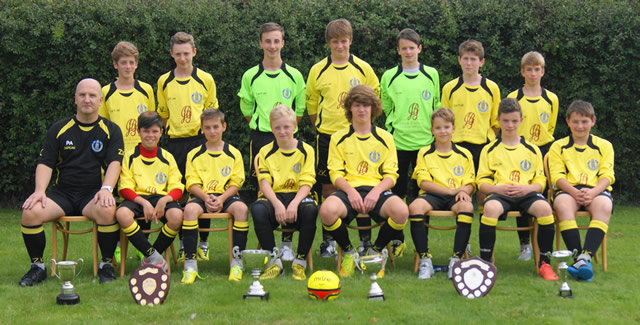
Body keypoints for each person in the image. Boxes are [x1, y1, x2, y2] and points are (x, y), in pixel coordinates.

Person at [20, 78, 123, 286]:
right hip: (62, 194)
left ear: (100, 100)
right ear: (75, 99)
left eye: (92, 95)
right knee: (30, 212)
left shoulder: (111, 129)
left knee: (108, 209)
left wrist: (106, 189)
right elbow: (45, 162)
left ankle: (106, 265)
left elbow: (115, 163)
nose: (87, 99)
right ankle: (37, 268)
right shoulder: (59, 128)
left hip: (93, 194)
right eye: (82, 95)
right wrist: (40, 191)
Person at [306, 18, 380, 257]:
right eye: (335, 42)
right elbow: (312, 104)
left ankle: (365, 241)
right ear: (329, 43)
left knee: (363, 184)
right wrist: (324, 125)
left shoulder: (363, 69)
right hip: (328, 137)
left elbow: (374, 99)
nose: (340, 46)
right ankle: (328, 241)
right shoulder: (318, 70)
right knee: (328, 188)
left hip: (358, 137)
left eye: (344, 41)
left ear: (351, 41)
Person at [319, 85, 408, 278]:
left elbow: (392, 175)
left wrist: (376, 192)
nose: (361, 109)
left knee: (401, 212)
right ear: (350, 108)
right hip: (348, 189)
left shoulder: (386, 138)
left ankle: (374, 252)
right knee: (326, 210)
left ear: (373, 108)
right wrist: (350, 191)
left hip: (377, 190)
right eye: (357, 105)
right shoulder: (338, 138)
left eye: (366, 105)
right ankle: (349, 253)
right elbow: (335, 173)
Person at [238, 22, 306, 262]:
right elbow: (247, 108)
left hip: (288, 137)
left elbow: (300, 110)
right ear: (260, 43)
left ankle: (287, 244)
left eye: (276, 41)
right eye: (267, 41)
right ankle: (269, 248)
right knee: (265, 191)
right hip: (262, 137)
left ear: (283, 43)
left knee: (290, 186)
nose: (272, 45)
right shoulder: (251, 75)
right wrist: (268, 127)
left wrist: (286, 129)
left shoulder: (294, 75)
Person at [476, 98, 558, 280]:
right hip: (500, 194)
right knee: (489, 209)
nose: (510, 125)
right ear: (498, 120)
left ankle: (544, 263)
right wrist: (498, 188)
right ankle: (486, 263)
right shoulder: (489, 150)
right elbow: (481, 182)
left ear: (521, 120)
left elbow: (540, 181)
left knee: (545, 209)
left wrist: (526, 188)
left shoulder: (533, 149)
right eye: (505, 121)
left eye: (514, 121)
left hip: (526, 193)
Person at [157, 32, 219, 260]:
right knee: (179, 194)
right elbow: (162, 115)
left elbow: (212, 114)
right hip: (175, 143)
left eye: (186, 53)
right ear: (172, 54)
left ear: (194, 52)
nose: (182, 58)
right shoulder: (164, 81)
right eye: (178, 54)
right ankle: (184, 243)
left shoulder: (206, 79)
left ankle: (203, 243)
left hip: (200, 142)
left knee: (205, 190)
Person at [381, 28, 441, 257]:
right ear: (398, 51)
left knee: (420, 195)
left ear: (419, 48)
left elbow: (436, 104)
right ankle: (397, 240)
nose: (408, 51)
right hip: (397, 143)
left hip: (424, 143)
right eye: (403, 48)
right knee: (395, 193)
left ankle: (421, 244)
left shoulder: (432, 74)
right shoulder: (389, 76)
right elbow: (386, 105)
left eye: (412, 47)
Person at [99, 41, 157, 263]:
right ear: (115, 65)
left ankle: (143, 247)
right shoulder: (106, 92)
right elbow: (102, 126)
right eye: (123, 63)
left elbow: (151, 122)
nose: (128, 67)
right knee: (113, 201)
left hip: (141, 155)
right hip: (115, 156)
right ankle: (114, 246)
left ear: (136, 64)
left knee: (144, 195)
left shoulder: (146, 90)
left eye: (131, 62)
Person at [549, 100, 614, 282]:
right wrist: (574, 192)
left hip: (596, 190)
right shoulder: (558, 146)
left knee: (604, 205)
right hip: (568, 189)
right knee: (562, 205)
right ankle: (580, 259)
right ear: (567, 121)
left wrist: (593, 193)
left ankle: (583, 258)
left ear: (593, 121)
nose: (580, 126)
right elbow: (557, 176)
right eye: (575, 121)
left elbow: (607, 175)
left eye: (584, 121)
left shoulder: (604, 146)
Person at [250, 105, 317, 281]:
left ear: (294, 126)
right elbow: (264, 183)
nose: (282, 131)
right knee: (258, 209)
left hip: (298, 195)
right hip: (275, 195)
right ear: (271, 128)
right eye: (277, 127)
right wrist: (278, 204)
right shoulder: (265, 151)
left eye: (286, 127)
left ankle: (300, 263)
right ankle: (274, 262)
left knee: (310, 210)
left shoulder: (307, 150)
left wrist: (294, 203)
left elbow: (307, 182)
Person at [182, 109, 248, 283]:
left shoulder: (233, 153)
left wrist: (221, 199)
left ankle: (236, 263)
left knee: (241, 209)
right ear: (202, 129)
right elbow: (191, 183)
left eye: (215, 127)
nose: (212, 131)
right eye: (207, 127)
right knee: (189, 210)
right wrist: (206, 198)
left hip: (225, 196)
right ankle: (190, 266)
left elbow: (237, 182)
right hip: (202, 195)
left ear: (224, 127)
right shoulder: (193, 154)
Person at [408, 108, 475, 279]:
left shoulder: (464, 154)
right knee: (415, 207)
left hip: (457, 197)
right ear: (432, 130)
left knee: (467, 206)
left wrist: (464, 190)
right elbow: (423, 182)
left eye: (446, 127)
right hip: (433, 194)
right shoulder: (424, 152)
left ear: (453, 128)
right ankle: (425, 261)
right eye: (438, 128)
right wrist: (452, 190)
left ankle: (456, 260)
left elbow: (470, 182)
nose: (442, 131)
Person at [507, 51, 560, 261]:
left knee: (545, 199)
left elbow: (551, 126)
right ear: (522, 72)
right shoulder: (514, 97)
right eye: (528, 69)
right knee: (522, 195)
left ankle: (544, 246)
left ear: (543, 71)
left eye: (536, 69)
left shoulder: (551, 98)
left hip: (544, 150)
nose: (532, 73)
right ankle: (525, 245)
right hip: (520, 151)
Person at [115, 111, 184, 272]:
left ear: (161, 132)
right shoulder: (129, 156)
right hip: (137, 199)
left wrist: (164, 200)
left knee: (177, 216)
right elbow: (124, 188)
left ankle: (152, 256)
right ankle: (153, 256)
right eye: (146, 131)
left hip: (161, 198)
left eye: (154, 131)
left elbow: (177, 188)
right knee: (122, 214)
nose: (150, 135)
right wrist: (144, 202)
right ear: (138, 132)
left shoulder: (167, 157)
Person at [441, 39, 500, 175]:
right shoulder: (450, 88)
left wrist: (487, 139)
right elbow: (443, 120)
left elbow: (496, 123)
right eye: (465, 58)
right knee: (457, 184)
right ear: (459, 60)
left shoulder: (492, 88)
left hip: (483, 145)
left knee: (483, 186)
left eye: (473, 59)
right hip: (456, 144)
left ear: (481, 62)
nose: (469, 63)